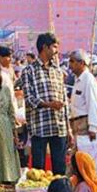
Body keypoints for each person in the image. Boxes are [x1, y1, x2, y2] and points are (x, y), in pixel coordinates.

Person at [21, 32, 72, 174]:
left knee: (60, 169)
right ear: (45, 47)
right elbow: (29, 99)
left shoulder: (57, 71)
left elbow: (64, 101)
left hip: (59, 126)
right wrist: (49, 105)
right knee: (39, 170)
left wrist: (69, 129)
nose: (57, 51)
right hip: (39, 127)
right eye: (54, 47)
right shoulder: (29, 71)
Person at [68, 49, 97, 141]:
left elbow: (93, 103)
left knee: (85, 153)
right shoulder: (78, 79)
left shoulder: (88, 79)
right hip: (77, 124)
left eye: (72, 61)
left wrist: (93, 128)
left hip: (84, 124)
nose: (69, 65)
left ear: (81, 63)